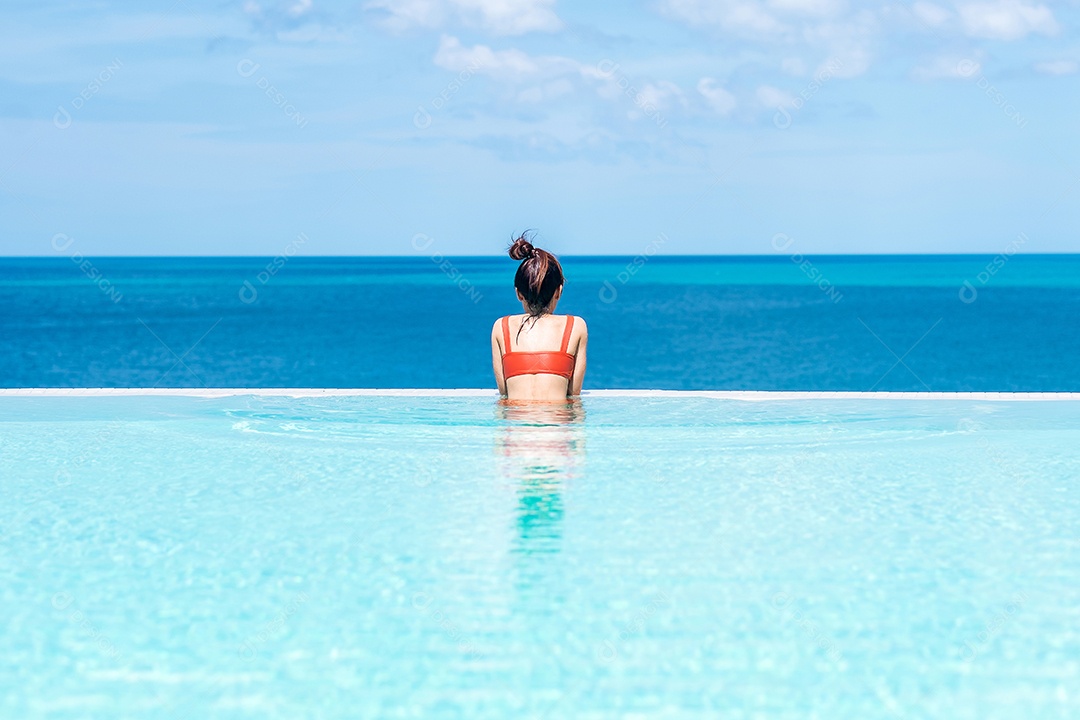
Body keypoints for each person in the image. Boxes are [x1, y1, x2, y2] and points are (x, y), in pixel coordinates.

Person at [492, 233, 587, 401]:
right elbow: (573, 393)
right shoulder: (576, 326)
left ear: (518, 294)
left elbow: (504, 392)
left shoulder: (501, 327)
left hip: (516, 425)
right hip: (557, 425)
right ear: (559, 291)